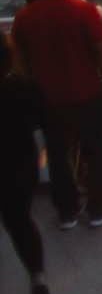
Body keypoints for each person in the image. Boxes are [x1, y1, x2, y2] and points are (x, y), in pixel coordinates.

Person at [9, 0, 102, 229]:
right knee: (96, 152)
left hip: (48, 97)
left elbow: (19, 61)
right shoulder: (84, 10)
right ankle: (100, 207)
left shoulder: (25, 16)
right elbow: (101, 50)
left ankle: (67, 211)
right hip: (87, 92)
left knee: (59, 154)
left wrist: (33, 84)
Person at [0, 35, 48, 294]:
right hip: (20, 164)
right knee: (20, 221)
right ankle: (37, 276)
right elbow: (42, 122)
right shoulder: (24, 87)